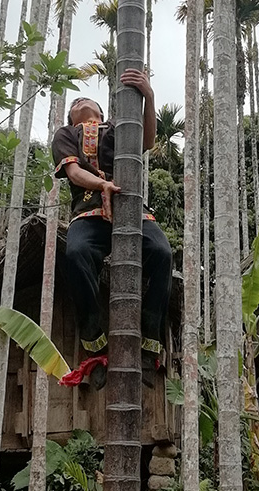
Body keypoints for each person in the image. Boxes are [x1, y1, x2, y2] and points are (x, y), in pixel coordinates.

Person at [51, 68, 173, 390]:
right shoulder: (66, 134)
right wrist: (102, 184)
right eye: (74, 102)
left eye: (85, 98)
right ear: (72, 117)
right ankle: (94, 345)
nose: (79, 100)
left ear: (101, 111)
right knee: (75, 253)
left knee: (162, 253)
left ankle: (149, 346)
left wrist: (148, 95)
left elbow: (146, 142)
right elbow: (74, 172)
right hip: (88, 211)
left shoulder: (118, 126)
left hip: (132, 210)